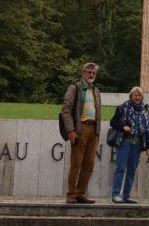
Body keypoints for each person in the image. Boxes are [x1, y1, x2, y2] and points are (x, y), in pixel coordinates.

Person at [61, 62, 101, 204]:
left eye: (93, 73)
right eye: (88, 72)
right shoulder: (74, 88)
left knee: (89, 164)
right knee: (76, 163)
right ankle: (71, 194)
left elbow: (98, 112)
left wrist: (97, 131)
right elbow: (65, 110)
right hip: (80, 128)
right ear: (83, 73)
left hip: (93, 129)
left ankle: (80, 193)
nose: (91, 75)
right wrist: (70, 130)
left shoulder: (96, 90)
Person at [109, 85, 149, 204]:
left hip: (137, 144)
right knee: (120, 168)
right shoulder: (123, 107)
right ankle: (116, 194)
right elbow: (112, 122)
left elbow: (148, 129)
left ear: (142, 97)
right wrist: (123, 127)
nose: (137, 97)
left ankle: (126, 196)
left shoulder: (145, 109)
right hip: (125, 142)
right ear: (131, 96)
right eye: (135, 95)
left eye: (139, 95)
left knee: (132, 171)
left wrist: (148, 147)